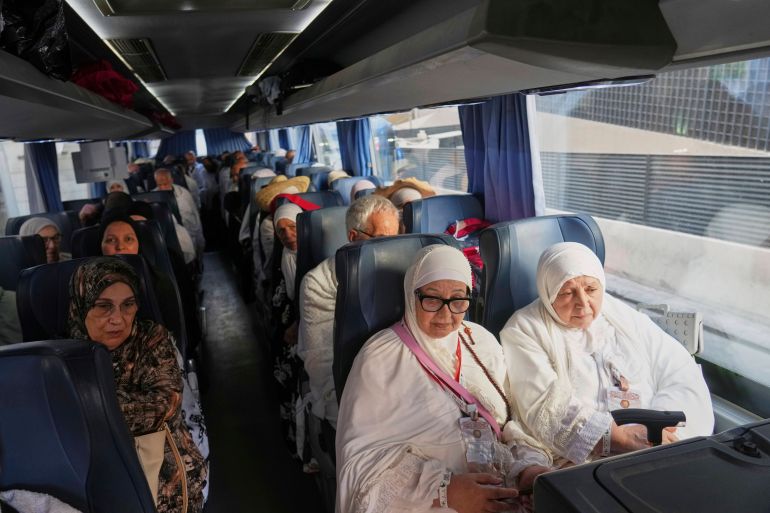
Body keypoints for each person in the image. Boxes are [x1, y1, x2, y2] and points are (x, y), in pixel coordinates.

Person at [337, 245, 550, 513]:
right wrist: (445, 492)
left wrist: (525, 468)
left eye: (458, 300)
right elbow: (362, 463)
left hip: (501, 488)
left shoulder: (480, 341)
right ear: (412, 295)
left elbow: (511, 421)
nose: (446, 314)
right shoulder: (381, 358)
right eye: (432, 299)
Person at [501, 242, 714, 467]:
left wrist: (659, 426)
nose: (583, 303)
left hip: (656, 443)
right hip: (585, 460)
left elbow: (678, 370)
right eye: (567, 292)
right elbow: (544, 404)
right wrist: (617, 437)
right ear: (547, 293)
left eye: (591, 289)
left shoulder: (620, 314)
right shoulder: (523, 329)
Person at [67, 258, 206, 512]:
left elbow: (164, 405)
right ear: (81, 305)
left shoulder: (152, 339)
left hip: (162, 471)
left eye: (128, 305)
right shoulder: (61, 356)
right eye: (103, 306)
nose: (118, 319)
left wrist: (83, 407)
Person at [298, 195, 399, 429]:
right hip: (345, 387)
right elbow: (322, 363)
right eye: (384, 240)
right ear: (354, 237)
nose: (396, 248)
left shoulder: (401, 271)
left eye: (398, 238)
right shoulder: (319, 283)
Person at [154, 168, 205, 257]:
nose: (162, 188)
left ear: (171, 180)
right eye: (159, 184)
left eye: (165, 184)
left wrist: (200, 239)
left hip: (190, 234)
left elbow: (195, 216)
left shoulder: (184, 194)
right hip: (168, 243)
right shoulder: (152, 198)